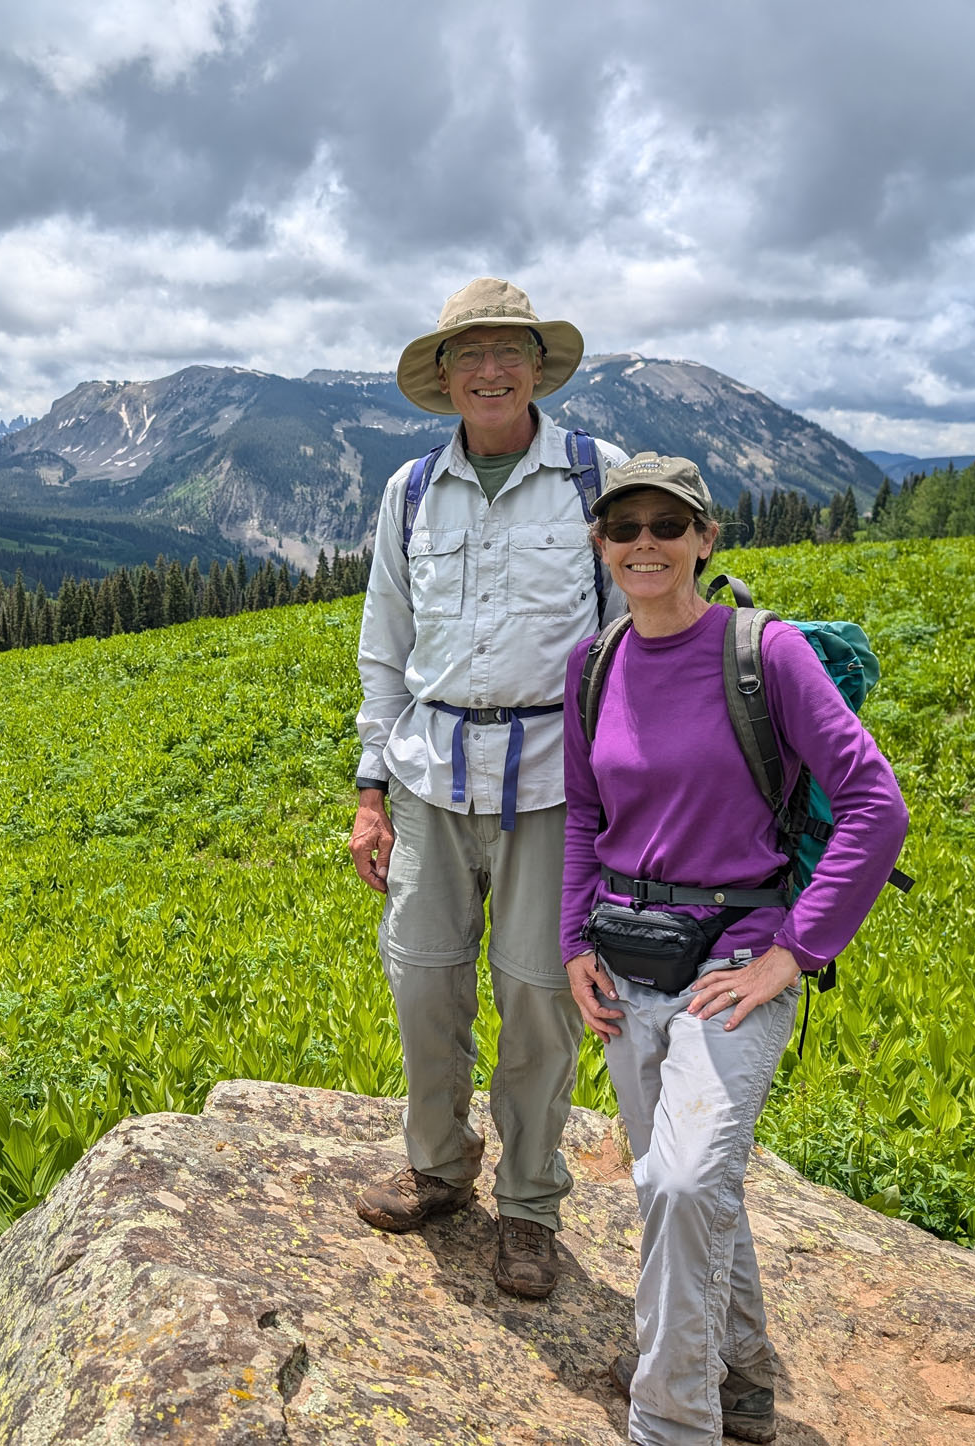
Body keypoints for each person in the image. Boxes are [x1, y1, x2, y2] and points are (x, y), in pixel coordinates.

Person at [559, 453, 909, 1444]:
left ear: (706, 541)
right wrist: (571, 940)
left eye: (668, 527)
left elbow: (878, 808)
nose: (645, 545)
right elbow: (585, 816)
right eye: (623, 527)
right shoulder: (592, 667)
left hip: (735, 961)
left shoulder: (767, 654)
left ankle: (670, 1424)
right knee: (687, 1181)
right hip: (625, 960)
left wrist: (795, 952)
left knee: (677, 1180)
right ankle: (745, 1380)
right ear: (601, 545)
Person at [350, 277, 628, 1299]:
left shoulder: (593, 481)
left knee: (540, 995)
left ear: (537, 365)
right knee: (423, 978)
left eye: (509, 350)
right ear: (446, 376)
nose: (491, 370)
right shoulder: (411, 490)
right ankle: (437, 1168)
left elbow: (626, 641)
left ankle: (529, 1208)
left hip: (556, 779)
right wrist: (372, 788)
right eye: (470, 355)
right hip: (429, 775)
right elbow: (385, 644)